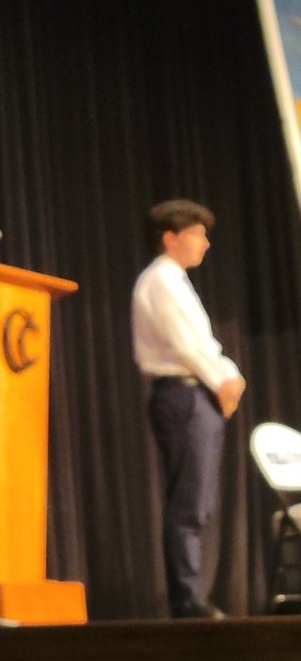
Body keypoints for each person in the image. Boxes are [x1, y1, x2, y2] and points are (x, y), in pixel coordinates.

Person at [131, 199, 246, 620]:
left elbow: (207, 344)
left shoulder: (175, 281)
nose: (205, 243)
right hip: (182, 394)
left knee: (199, 501)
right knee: (189, 503)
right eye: (197, 233)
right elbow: (184, 344)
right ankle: (186, 598)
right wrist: (222, 382)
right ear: (170, 238)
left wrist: (230, 376)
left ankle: (192, 594)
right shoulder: (160, 279)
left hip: (196, 392)